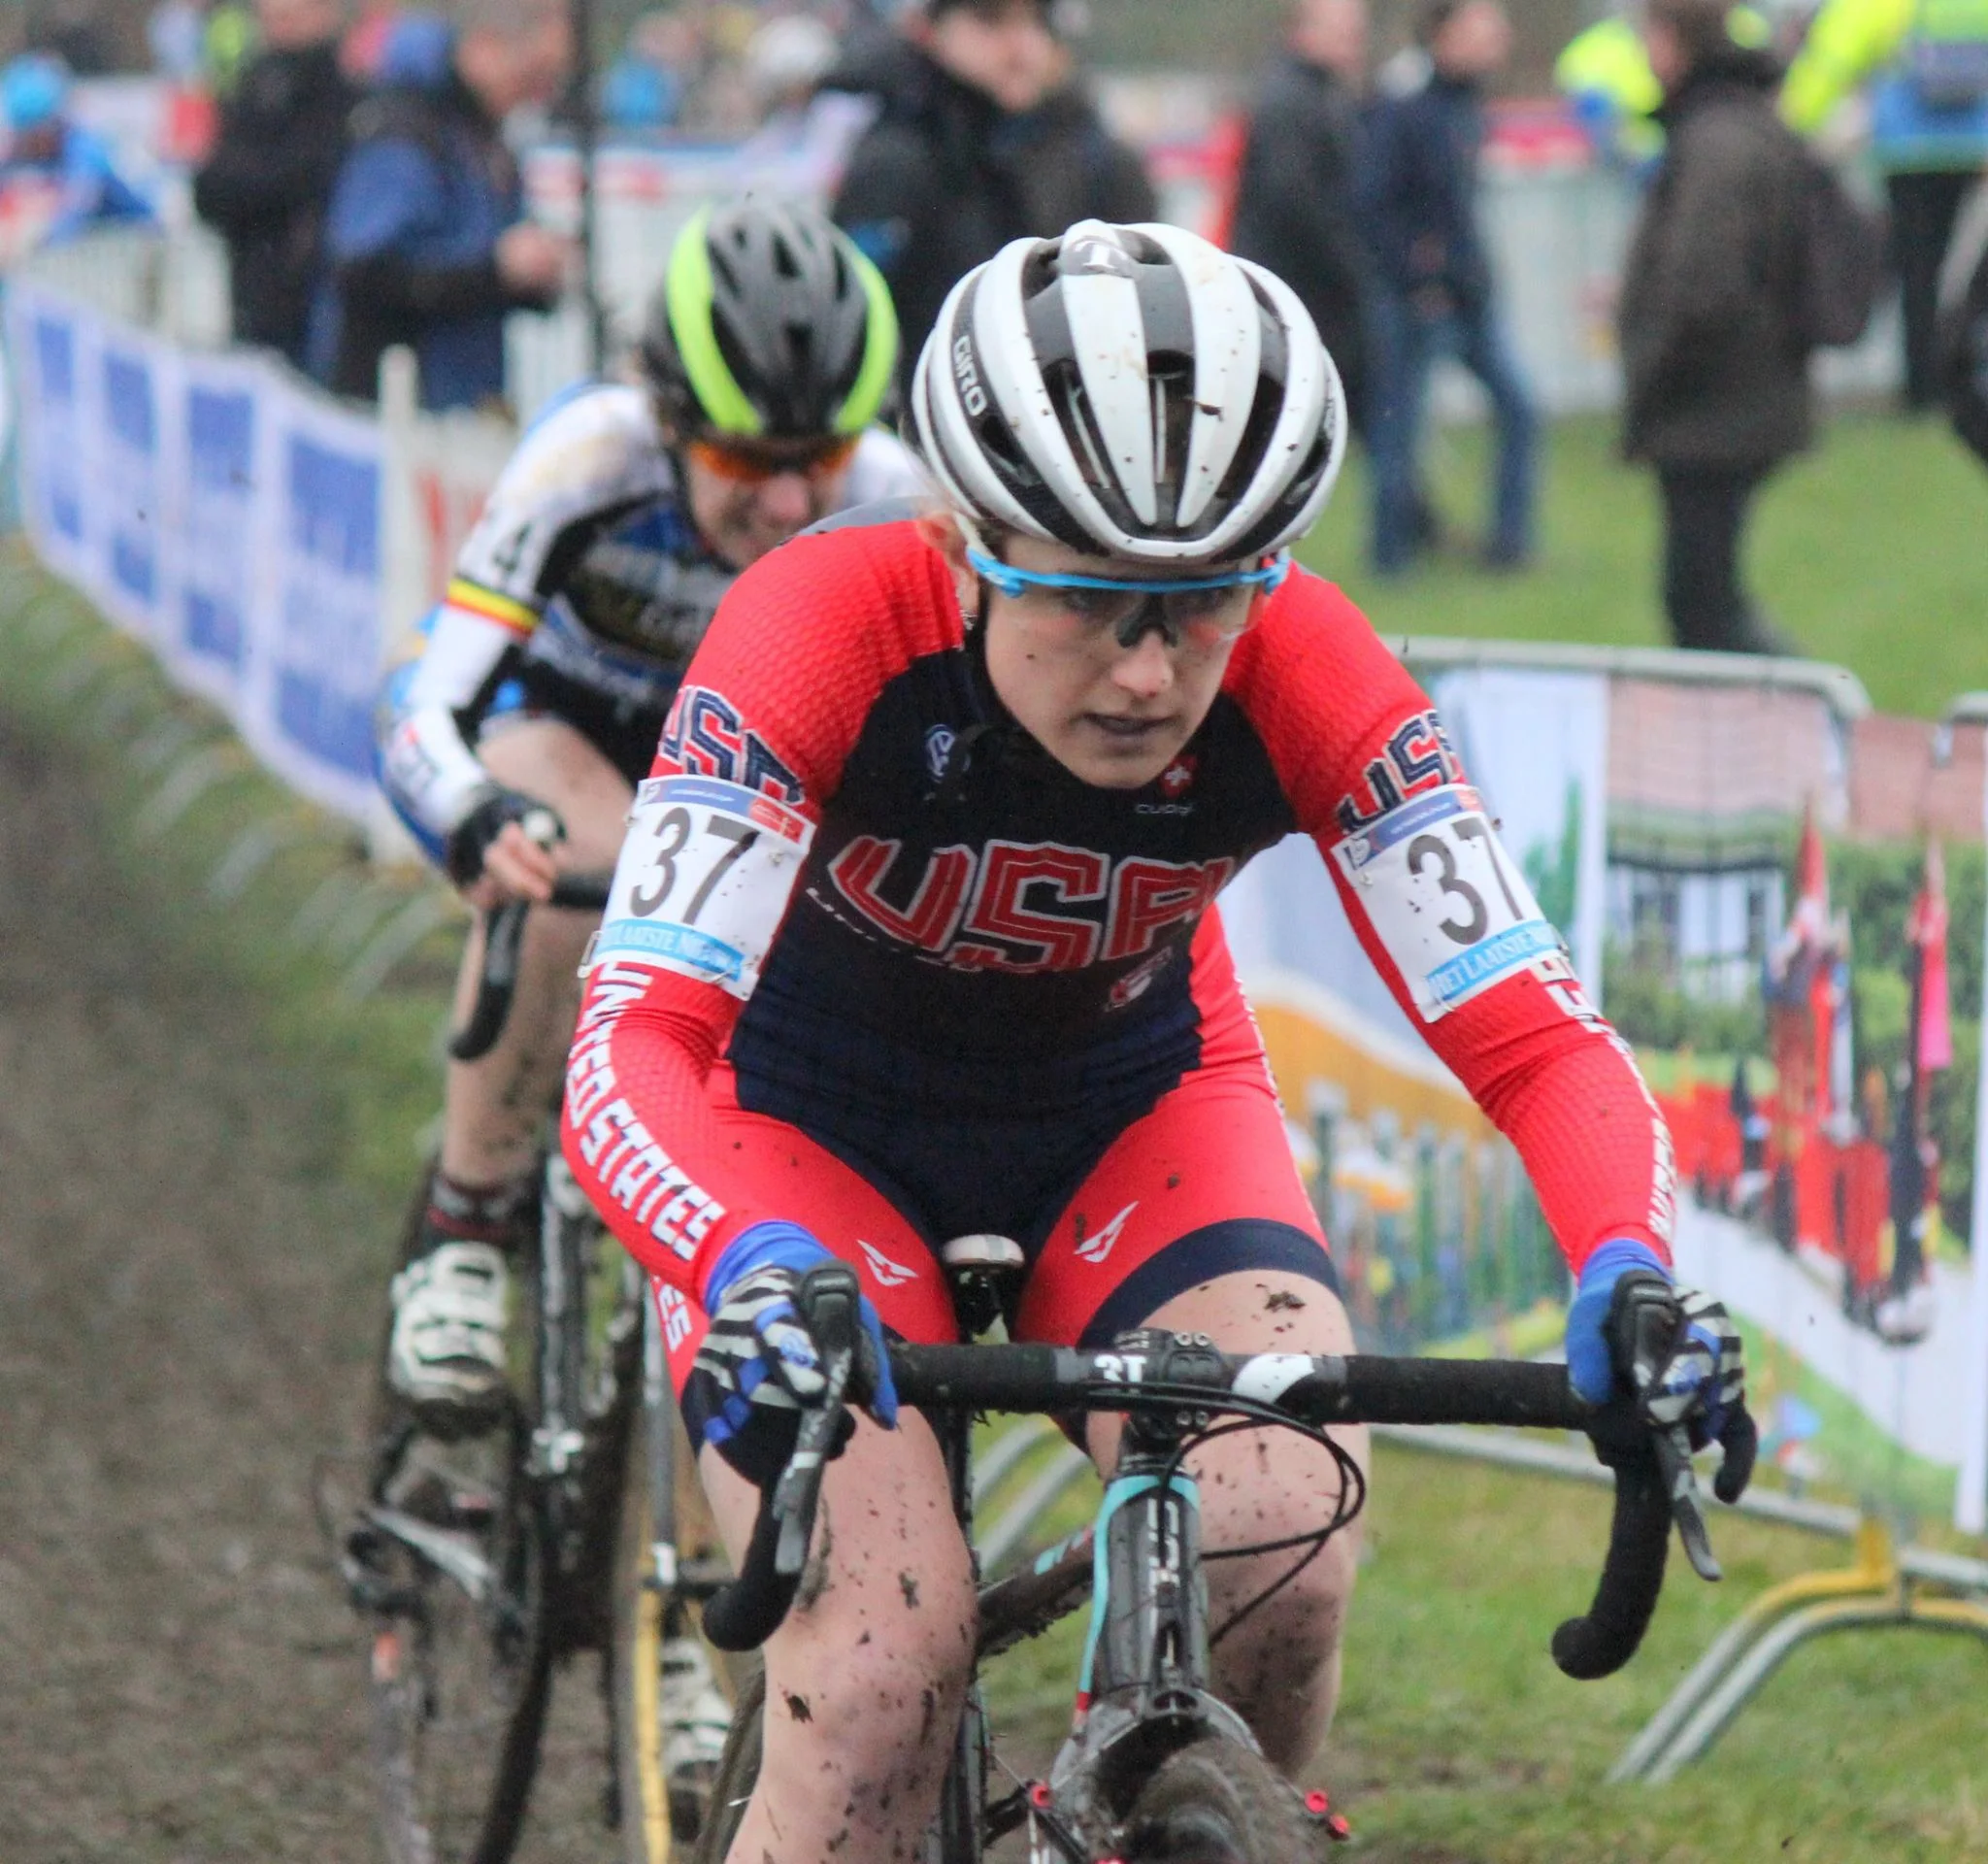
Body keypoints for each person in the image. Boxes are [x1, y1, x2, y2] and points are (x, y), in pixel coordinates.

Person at [559, 217, 1747, 1864]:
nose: (1146, 669)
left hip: (1127, 1117)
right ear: (969, 543)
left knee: (1285, 1544)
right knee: (884, 1677)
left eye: (1201, 605)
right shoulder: (813, 627)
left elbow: (1538, 1040)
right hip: (801, 1139)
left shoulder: (1315, 667)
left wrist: (1630, 1263)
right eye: (1092, 602)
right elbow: (630, 1042)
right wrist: (742, 1263)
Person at [831, 0, 1153, 393]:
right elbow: (848, 330)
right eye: (989, 18)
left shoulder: (1098, 158)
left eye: (1037, 20)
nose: (1021, 45)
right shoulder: (895, 163)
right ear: (928, 30)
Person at [1619, 0, 1810, 653]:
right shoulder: (1732, 123)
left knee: (1703, 605)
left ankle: (1819, 718)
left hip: (1715, 407)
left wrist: (1651, 363)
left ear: (1673, 41)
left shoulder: (1716, 138)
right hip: (1731, 400)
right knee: (1702, 598)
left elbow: (1702, 284)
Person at [308, 0, 573, 410]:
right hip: (398, 407)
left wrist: (534, 274)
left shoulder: (481, 135)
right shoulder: (409, 132)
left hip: (456, 398)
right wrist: (496, 269)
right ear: (487, 47)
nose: (535, 96)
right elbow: (363, 273)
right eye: (531, 75)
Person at [1361, 0, 1537, 574]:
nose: (1498, 36)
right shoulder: (1404, 111)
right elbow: (1374, 207)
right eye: (1481, 26)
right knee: (1400, 433)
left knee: (1519, 410)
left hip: (1469, 296)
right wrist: (1418, 274)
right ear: (1443, 34)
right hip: (1421, 301)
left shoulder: (1469, 107)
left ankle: (1508, 547)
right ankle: (1390, 557)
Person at [1783, 0, 1988, 410]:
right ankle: (1959, 374)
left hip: (1909, 148)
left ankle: (1924, 386)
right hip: (1972, 143)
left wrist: (1785, 126)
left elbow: (1832, 61)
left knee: (1917, 271)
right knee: (1962, 271)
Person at [1231, 0, 1378, 435]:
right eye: (1342, 30)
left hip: (1310, 288)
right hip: (1297, 290)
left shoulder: (1323, 95)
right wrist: (1353, 263)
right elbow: (1295, 200)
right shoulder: (1291, 101)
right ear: (1304, 31)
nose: (1353, 42)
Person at [194, 0, 355, 368]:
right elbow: (211, 184)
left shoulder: (335, 93)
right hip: (252, 289)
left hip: (309, 296)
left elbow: (307, 172)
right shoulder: (254, 85)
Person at [0, 54, 153, 244]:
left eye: (37, 135)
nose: (31, 146)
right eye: (25, 136)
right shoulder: (16, 155)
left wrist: (31, 239)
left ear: (56, 124)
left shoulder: (85, 150)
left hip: (134, 246)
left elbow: (76, 211)